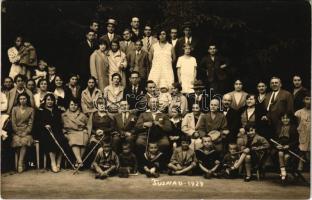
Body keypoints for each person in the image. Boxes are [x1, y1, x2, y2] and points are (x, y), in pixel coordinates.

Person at [35, 93, 70, 172]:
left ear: (54, 101)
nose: (50, 102)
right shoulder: (40, 110)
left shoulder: (57, 110)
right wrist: (45, 125)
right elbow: (37, 123)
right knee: (50, 140)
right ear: (45, 101)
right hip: (45, 131)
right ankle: (53, 162)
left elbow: (60, 123)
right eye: (48, 100)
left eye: (51, 100)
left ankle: (58, 162)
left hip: (56, 130)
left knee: (63, 140)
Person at [85, 96, 116, 167]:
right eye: (100, 104)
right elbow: (89, 128)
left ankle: (103, 164)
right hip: (95, 136)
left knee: (105, 147)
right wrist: (95, 132)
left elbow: (113, 128)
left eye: (103, 104)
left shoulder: (110, 116)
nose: (102, 105)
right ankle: (95, 163)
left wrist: (104, 131)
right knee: (92, 145)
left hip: (106, 136)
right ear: (97, 105)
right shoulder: (93, 115)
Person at [11, 93, 34, 173]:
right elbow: (13, 123)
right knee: (17, 141)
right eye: (21, 99)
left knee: (24, 141)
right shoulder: (14, 109)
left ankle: (20, 164)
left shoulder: (31, 110)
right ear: (18, 100)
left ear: (27, 99)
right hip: (16, 132)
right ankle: (21, 163)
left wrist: (25, 132)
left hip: (26, 132)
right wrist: (17, 132)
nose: (22, 100)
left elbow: (30, 124)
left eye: (24, 98)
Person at [62, 99, 89, 168]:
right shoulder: (64, 115)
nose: (73, 106)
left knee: (85, 137)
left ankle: (78, 162)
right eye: (72, 105)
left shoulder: (82, 115)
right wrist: (64, 133)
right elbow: (61, 126)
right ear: (69, 105)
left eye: (75, 105)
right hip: (70, 132)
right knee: (74, 140)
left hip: (81, 131)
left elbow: (88, 124)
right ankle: (80, 161)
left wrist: (86, 129)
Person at [273, 113, 299, 183]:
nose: (285, 120)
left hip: (290, 148)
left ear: (290, 119)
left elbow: (296, 141)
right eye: (283, 118)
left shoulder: (294, 128)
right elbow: (274, 139)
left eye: (287, 118)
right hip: (279, 147)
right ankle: (284, 173)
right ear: (281, 119)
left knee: (286, 157)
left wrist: (289, 146)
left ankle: (282, 173)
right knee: (280, 153)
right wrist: (276, 145)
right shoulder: (278, 127)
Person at [294, 93, 310, 171]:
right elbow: (298, 126)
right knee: (302, 150)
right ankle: (300, 165)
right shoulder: (299, 113)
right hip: (303, 134)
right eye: (307, 99)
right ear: (303, 100)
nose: (309, 101)